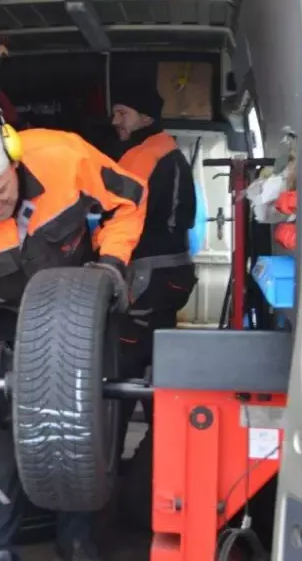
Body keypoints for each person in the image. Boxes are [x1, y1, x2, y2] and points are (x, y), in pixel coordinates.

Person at [0, 100, 148, 561]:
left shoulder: (63, 155)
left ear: (14, 159)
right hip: (7, 321)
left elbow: (131, 199)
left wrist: (112, 262)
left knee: (80, 433)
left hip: (79, 308)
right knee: (4, 437)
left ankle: (76, 538)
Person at [108, 88, 198, 466]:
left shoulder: (144, 156)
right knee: (155, 360)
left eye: (123, 112)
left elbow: (118, 208)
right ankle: (162, 459)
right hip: (170, 274)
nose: (115, 120)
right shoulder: (167, 150)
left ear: (145, 117)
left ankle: (111, 461)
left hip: (149, 275)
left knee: (122, 364)